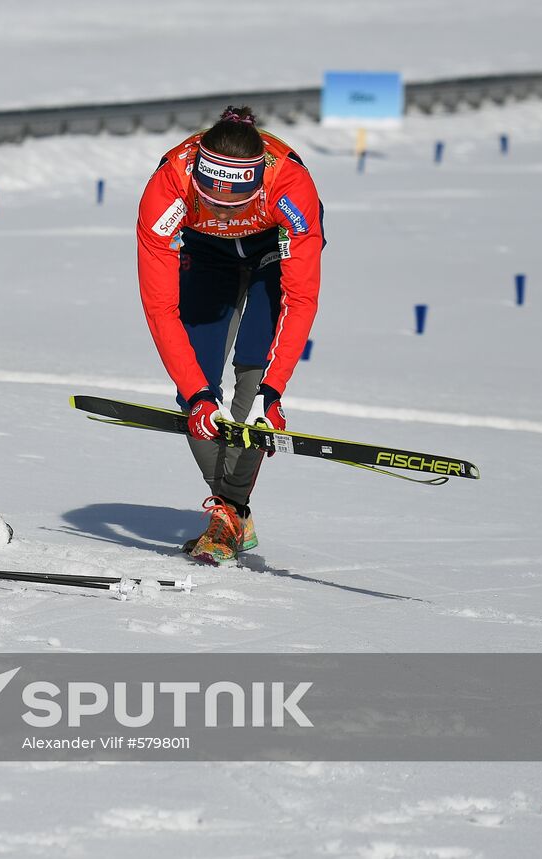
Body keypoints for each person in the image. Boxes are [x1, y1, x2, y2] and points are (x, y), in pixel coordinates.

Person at [135, 106, 324, 565]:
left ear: (257, 184)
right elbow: (161, 309)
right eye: (211, 198)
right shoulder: (169, 185)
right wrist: (198, 395)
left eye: (233, 202)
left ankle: (228, 515)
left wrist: (273, 392)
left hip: (271, 253)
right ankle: (233, 509)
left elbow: (299, 302)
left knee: (254, 376)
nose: (221, 208)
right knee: (193, 385)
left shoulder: (290, 185)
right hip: (207, 254)